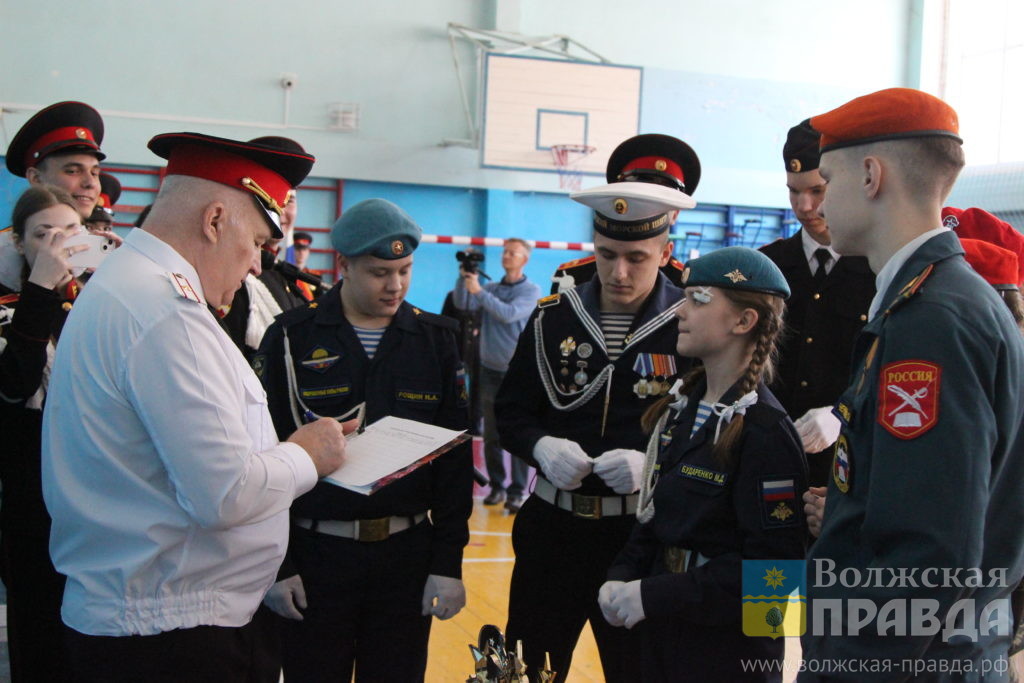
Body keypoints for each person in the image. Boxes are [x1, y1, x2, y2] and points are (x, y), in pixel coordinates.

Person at [40, 132, 349, 682]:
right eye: (255, 242)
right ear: (214, 220)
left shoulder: (127, 285)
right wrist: (308, 455)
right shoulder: (165, 311)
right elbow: (224, 493)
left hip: (157, 622)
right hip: (173, 637)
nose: (255, 266)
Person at [798, 88, 1024, 678]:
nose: (819, 203)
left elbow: (931, 549)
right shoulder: (940, 301)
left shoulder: (932, 320)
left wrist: (851, 666)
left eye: (828, 181)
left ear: (871, 176)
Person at [495, 134, 699, 682]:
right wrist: (540, 445)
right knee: (526, 672)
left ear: (665, 253)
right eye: (607, 255)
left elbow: (710, 436)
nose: (619, 273)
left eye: (637, 258)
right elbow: (510, 412)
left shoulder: (691, 327)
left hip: (638, 538)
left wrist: (651, 468)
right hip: (552, 532)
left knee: (639, 673)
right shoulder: (552, 318)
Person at [255, 198, 473, 682]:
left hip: (406, 558)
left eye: (405, 270)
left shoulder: (436, 340)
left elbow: (454, 464)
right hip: (316, 557)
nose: (395, 285)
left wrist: (448, 563)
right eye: (379, 273)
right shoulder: (291, 337)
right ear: (344, 265)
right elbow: (264, 455)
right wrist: (278, 567)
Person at [600, 246, 807, 681]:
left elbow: (774, 576)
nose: (680, 311)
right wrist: (622, 573)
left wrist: (657, 595)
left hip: (724, 653)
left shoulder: (766, 432)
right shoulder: (683, 410)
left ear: (743, 321)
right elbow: (654, 516)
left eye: (698, 300)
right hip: (662, 635)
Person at [0, 185, 99, 682]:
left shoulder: (101, 299)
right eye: (44, 235)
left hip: (100, 495)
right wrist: (39, 290)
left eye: (70, 232)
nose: (59, 246)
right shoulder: (9, 307)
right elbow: (13, 386)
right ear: (19, 243)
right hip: (33, 502)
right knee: (41, 638)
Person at [759, 120, 875, 486]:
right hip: (770, 454)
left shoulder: (878, 270)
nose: (804, 207)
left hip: (848, 465)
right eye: (793, 192)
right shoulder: (767, 266)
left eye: (817, 190)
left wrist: (844, 413)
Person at [452, 237, 541, 512]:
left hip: (517, 372)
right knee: (491, 434)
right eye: (505, 252)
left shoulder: (531, 291)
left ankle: (517, 491)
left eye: (512, 253)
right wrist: (464, 278)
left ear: (524, 259)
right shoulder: (490, 288)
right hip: (489, 371)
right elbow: (462, 303)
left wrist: (478, 291)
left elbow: (508, 314)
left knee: (518, 432)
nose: (506, 256)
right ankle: (497, 486)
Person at [549, 134, 699, 294]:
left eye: (660, 204)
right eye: (634, 197)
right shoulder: (573, 278)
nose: (619, 273)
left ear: (675, 214)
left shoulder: (689, 286)